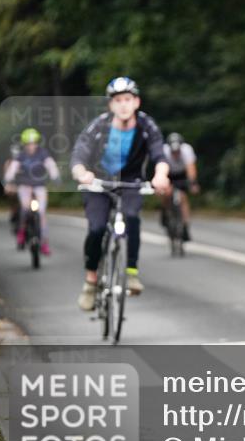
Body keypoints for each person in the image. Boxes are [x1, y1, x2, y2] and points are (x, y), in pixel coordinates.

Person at [70, 77, 170, 310]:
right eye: (118, 100)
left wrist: (161, 175)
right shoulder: (100, 125)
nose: (123, 105)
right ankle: (91, 281)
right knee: (96, 229)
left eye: (128, 99)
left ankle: (131, 272)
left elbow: (159, 155)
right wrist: (81, 172)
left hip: (131, 182)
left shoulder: (147, 126)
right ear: (111, 105)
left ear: (137, 102)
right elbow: (80, 153)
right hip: (98, 182)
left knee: (132, 217)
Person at [3, 128, 60, 255]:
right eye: (28, 144)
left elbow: (51, 165)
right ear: (25, 144)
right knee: (24, 208)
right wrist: (8, 181)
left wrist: (55, 177)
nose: (31, 146)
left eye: (33, 143)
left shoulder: (43, 153)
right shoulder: (21, 156)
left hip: (39, 185)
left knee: (42, 213)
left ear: (37, 142)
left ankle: (44, 243)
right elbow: (12, 169)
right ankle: (21, 233)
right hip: (25, 186)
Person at [158, 132, 199, 241]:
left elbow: (191, 168)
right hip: (168, 173)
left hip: (181, 174)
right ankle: (165, 211)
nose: (175, 154)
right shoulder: (164, 151)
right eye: (173, 152)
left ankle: (185, 225)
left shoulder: (187, 150)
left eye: (177, 151)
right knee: (165, 193)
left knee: (183, 197)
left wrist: (193, 183)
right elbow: (161, 170)